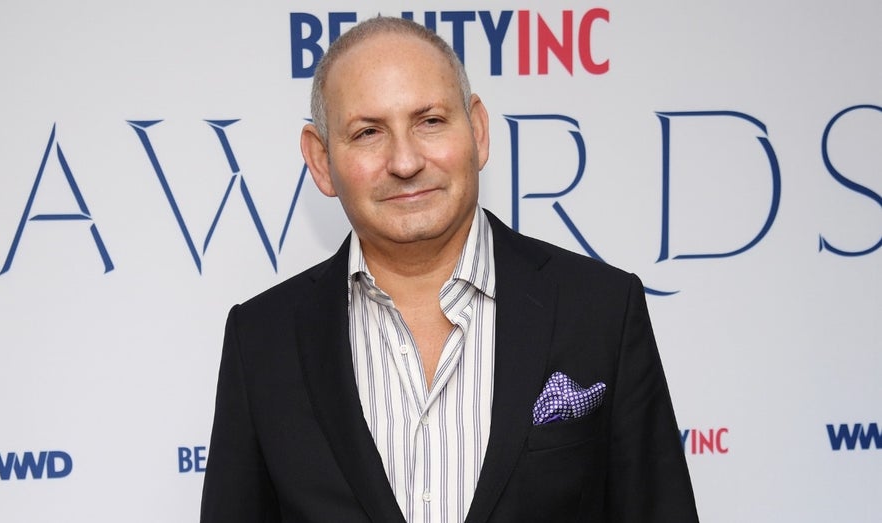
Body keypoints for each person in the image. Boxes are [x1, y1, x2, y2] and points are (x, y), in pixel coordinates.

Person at [200, 15, 698, 523]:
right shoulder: (261, 340)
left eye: (430, 121)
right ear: (322, 161)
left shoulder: (601, 311)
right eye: (368, 132)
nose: (406, 160)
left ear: (478, 130)